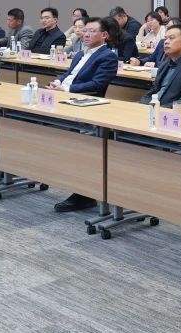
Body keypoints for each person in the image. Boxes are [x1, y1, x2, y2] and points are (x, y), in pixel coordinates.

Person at [48, 17, 127, 215]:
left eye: (92, 31)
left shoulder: (107, 56)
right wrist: (57, 82)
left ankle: (84, 195)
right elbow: (68, 75)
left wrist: (66, 90)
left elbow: (97, 85)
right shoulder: (80, 54)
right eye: (85, 31)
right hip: (66, 98)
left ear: (104, 35)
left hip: (85, 105)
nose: (86, 34)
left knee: (77, 150)